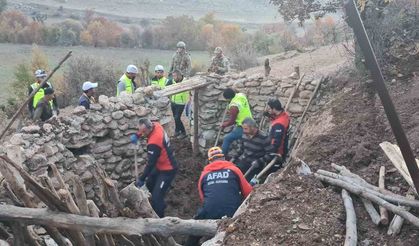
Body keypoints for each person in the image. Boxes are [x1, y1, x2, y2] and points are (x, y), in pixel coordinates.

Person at [185, 147, 252, 246]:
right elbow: (248, 192)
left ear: (209, 161)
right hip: (233, 212)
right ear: (224, 158)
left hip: (210, 212)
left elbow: (203, 197)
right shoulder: (234, 170)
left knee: (195, 229)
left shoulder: (204, 175)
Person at [130, 118, 177, 218]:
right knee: (150, 184)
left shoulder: (154, 142)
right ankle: (154, 205)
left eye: (143, 132)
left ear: (148, 129)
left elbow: (151, 164)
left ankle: (159, 218)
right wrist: (137, 135)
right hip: (160, 165)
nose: (142, 134)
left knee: (157, 197)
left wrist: (142, 178)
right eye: (140, 131)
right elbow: (144, 129)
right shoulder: (155, 125)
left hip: (168, 170)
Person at [221, 88, 253, 156]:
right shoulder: (241, 95)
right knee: (243, 141)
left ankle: (222, 157)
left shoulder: (233, 106)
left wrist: (223, 125)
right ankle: (241, 152)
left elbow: (232, 122)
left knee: (227, 139)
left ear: (228, 98)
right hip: (251, 122)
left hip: (243, 126)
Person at [264, 98, 291, 174]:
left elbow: (277, 143)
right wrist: (270, 116)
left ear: (274, 108)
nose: (268, 110)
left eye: (269, 108)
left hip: (277, 153)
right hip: (281, 148)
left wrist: (268, 152)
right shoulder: (284, 115)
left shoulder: (279, 124)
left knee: (271, 173)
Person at [166, 70, 189, 139]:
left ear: (179, 75)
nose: (173, 77)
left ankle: (183, 132)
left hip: (181, 103)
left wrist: (188, 101)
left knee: (177, 117)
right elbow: (165, 87)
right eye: (173, 76)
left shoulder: (185, 81)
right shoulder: (172, 81)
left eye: (175, 76)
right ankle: (177, 131)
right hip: (173, 102)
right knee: (175, 118)